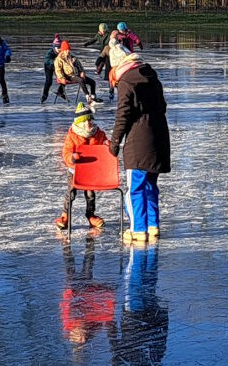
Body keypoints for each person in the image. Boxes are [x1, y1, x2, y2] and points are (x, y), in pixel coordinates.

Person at [109, 42, 171, 243]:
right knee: (151, 185)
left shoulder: (127, 81)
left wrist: (115, 142)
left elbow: (123, 115)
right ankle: (153, 226)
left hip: (139, 141)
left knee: (135, 188)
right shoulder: (152, 76)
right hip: (159, 137)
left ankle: (138, 230)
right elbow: (163, 105)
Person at [57, 104, 110, 232]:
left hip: (91, 171)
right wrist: (72, 158)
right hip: (75, 171)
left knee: (90, 195)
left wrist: (107, 145)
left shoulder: (98, 133)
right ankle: (65, 215)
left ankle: (91, 215)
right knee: (71, 193)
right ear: (79, 123)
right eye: (85, 121)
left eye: (90, 120)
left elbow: (104, 144)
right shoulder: (72, 135)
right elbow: (66, 152)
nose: (88, 123)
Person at [50, 37, 100, 101]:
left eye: (69, 49)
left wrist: (82, 71)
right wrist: (62, 78)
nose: (68, 51)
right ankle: (87, 96)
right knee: (81, 80)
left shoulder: (71, 57)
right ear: (63, 50)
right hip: (68, 76)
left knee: (92, 82)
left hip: (75, 74)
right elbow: (58, 71)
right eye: (67, 50)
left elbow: (79, 65)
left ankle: (93, 97)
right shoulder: (58, 60)